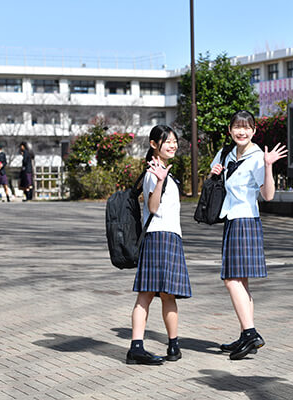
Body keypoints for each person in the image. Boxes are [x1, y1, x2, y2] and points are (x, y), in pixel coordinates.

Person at [209, 110, 287, 360]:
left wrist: (268, 166)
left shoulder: (257, 157)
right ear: (230, 130)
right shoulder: (224, 154)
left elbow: (268, 195)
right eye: (236, 127)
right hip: (232, 219)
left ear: (254, 131)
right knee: (241, 282)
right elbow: (211, 183)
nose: (241, 132)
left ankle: (251, 332)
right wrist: (214, 175)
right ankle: (246, 336)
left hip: (245, 220)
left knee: (231, 280)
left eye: (247, 127)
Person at [128, 125, 192, 366]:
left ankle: (174, 345)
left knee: (168, 295)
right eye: (167, 141)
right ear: (154, 144)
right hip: (157, 237)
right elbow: (153, 207)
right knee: (146, 294)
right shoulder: (153, 172)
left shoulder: (166, 171)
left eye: (174, 141)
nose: (172, 145)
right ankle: (136, 347)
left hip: (171, 237)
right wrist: (158, 181)